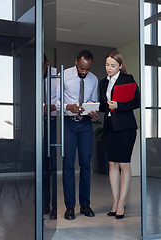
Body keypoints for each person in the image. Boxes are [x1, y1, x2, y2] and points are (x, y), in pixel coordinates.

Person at [57, 50, 99, 220]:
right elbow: (56, 101)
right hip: (68, 124)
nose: (84, 72)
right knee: (68, 165)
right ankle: (69, 207)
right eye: (82, 68)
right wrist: (68, 107)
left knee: (85, 165)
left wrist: (94, 112)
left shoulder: (94, 79)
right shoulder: (64, 75)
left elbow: (93, 102)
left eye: (87, 69)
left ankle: (85, 205)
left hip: (86, 125)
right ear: (76, 62)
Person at [98, 51, 140, 219]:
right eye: (107, 65)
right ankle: (115, 201)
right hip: (109, 127)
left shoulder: (128, 79)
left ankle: (122, 202)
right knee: (112, 165)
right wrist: (92, 107)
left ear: (120, 66)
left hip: (125, 127)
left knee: (124, 165)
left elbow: (136, 101)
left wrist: (119, 105)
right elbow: (103, 106)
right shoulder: (103, 83)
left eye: (113, 65)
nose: (109, 68)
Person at [43, 54, 58, 220]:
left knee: (54, 166)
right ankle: (44, 203)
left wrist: (53, 107)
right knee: (42, 167)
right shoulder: (34, 74)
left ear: (47, 62)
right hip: (38, 125)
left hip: (53, 122)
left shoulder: (57, 76)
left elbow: (63, 99)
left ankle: (54, 206)